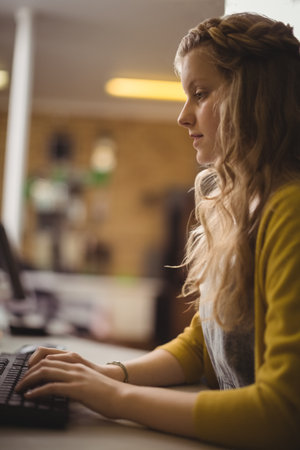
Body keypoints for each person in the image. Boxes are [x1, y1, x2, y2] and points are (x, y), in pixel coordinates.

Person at [16, 12, 300, 449]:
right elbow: (205, 344)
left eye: (200, 94)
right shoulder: (241, 208)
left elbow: (284, 414)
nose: (184, 116)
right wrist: (107, 374)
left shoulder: (291, 210)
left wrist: (114, 397)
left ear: (254, 97)